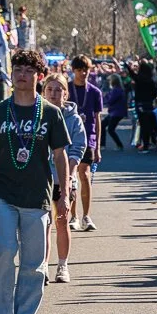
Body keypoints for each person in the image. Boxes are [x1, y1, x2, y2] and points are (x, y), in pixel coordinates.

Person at [0, 49, 70, 314]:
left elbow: (60, 155)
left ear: (38, 76)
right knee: (3, 251)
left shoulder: (50, 113)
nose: (21, 75)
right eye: (17, 70)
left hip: (37, 197)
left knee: (34, 262)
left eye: (28, 71)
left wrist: (64, 194)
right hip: (3, 193)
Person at [41, 74, 86, 284]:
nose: (54, 93)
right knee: (42, 222)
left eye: (58, 90)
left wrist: (70, 175)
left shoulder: (73, 119)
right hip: (40, 177)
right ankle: (42, 266)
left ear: (65, 93)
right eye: (50, 89)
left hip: (63, 178)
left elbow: (78, 148)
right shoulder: (37, 114)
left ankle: (62, 265)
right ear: (43, 92)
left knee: (61, 221)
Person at [67, 55, 102, 232]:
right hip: (68, 137)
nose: (83, 73)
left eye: (86, 69)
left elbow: (97, 118)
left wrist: (98, 147)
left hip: (89, 138)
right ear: (73, 70)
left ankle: (86, 216)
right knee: (70, 177)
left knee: (85, 175)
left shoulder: (95, 92)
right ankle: (73, 215)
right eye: (80, 69)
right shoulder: (66, 88)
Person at [102, 75, 127, 151]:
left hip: (116, 112)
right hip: (115, 112)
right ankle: (102, 144)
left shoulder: (116, 90)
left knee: (110, 129)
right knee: (103, 125)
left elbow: (110, 101)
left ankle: (119, 145)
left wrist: (105, 96)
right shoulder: (118, 89)